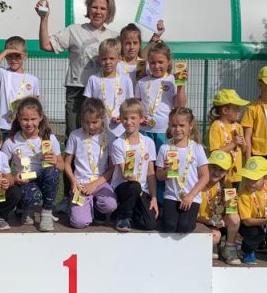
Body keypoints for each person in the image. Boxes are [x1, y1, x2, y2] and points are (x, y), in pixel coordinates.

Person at [37, 0, 117, 141]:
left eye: (102, 8)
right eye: (94, 7)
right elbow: (46, 45)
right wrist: (44, 18)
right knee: (75, 135)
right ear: (88, 8)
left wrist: (155, 38)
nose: (98, 12)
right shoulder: (74, 30)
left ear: (109, 12)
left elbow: (134, 57)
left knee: (102, 136)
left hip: (102, 90)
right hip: (77, 91)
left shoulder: (114, 36)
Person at [2, 96, 61, 231]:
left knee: (53, 171)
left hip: (45, 178)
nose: (29, 123)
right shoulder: (11, 141)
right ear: (18, 118)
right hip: (26, 181)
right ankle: (26, 207)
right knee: (32, 196)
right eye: (25, 119)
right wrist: (14, 179)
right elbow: (2, 171)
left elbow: (62, 165)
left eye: (33, 119)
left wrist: (55, 161)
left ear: (40, 117)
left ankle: (46, 213)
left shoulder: (49, 138)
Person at [64, 97, 117, 228]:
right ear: (81, 119)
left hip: (100, 182)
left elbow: (112, 169)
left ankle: (97, 209)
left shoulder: (110, 137)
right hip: (80, 184)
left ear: (102, 118)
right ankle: (79, 205)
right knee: (79, 222)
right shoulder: (75, 135)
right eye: (86, 122)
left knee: (110, 205)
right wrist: (73, 182)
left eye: (94, 122)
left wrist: (94, 184)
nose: (90, 126)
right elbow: (66, 163)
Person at [156, 107, 209, 234]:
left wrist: (190, 196)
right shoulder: (165, 148)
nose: (177, 129)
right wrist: (166, 172)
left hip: (191, 197)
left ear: (190, 126)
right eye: (174, 125)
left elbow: (205, 176)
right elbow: (158, 175)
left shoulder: (197, 148)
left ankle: (191, 220)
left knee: (184, 227)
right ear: (169, 126)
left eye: (182, 125)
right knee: (169, 226)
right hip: (171, 196)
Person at [109, 98, 159, 232]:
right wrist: (129, 176)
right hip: (124, 187)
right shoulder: (118, 144)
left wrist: (154, 198)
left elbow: (151, 173)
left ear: (141, 119)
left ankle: (126, 212)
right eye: (125, 118)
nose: (129, 122)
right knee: (134, 186)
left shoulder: (148, 142)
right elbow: (124, 173)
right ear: (120, 119)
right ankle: (123, 217)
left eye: (133, 118)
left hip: (142, 189)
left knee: (150, 224)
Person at [0, 36, 40, 137]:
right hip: (3, 125)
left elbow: (35, 103)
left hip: (23, 125)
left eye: (17, 56)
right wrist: (5, 52)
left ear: (25, 56)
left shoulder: (33, 79)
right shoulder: (3, 73)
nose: (13, 60)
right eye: (10, 56)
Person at [83, 37, 134, 138]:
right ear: (99, 59)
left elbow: (130, 105)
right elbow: (88, 106)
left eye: (111, 58)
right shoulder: (93, 79)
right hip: (99, 130)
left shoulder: (126, 80)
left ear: (119, 58)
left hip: (121, 129)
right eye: (104, 59)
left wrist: (122, 116)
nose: (108, 62)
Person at [197, 150, 241, 263]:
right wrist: (209, 222)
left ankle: (229, 247)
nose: (217, 172)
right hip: (201, 222)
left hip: (217, 222)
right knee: (214, 237)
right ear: (207, 166)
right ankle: (213, 244)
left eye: (221, 170)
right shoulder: (197, 182)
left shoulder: (227, 185)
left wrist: (229, 205)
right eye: (213, 167)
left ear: (226, 172)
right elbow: (191, 215)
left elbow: (230, 212)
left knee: (234, 217)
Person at [206, 88, 249, 189]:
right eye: (236, 108)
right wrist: (233, 144)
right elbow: (214, 153)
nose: (239, 111)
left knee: (232, 198)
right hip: (220, 174)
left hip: (235, 175)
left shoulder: (238, 127)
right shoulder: (216, 126)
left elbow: (243, 150)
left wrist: (243, 145)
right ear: (225, 110)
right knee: (219, 196)